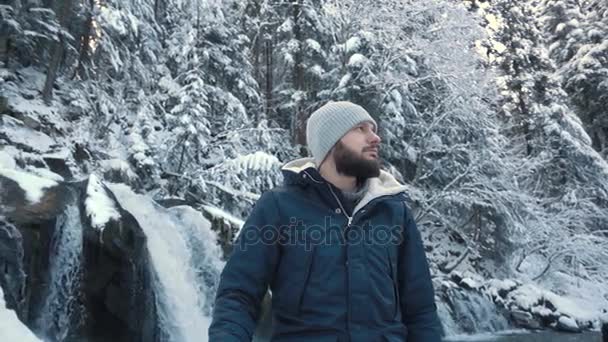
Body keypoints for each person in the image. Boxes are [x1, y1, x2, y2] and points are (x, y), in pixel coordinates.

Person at [209, 101, 442, 341]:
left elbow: (421, 311)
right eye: (361, 129)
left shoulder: (395, 213)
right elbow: (238, 295)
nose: (375, 138)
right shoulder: (278, 207)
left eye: (373, 129)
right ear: (331, 142)